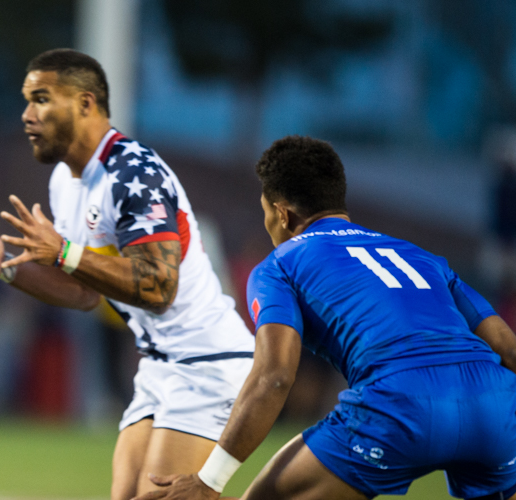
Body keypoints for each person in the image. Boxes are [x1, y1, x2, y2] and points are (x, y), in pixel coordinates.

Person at [0, 48, 256, 500]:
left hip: (208, 362)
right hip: (161, 366)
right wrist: (3, 269)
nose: (26, 115)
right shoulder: (66, 181)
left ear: (85, 103)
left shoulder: (134, 171)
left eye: (41, 99)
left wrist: (64, 252)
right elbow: (83, 294)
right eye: (26, 100)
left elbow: (158, 287)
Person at [134, 136, 516, 500]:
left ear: (282, 214)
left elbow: (275, 375)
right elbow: (504, 344)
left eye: (266, 213)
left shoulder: (279, 266)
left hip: (402, 403)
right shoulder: (420, 255)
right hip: (495, 404)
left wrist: (208, 481)